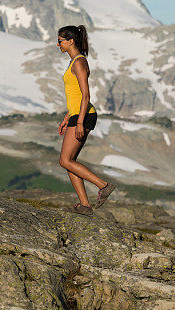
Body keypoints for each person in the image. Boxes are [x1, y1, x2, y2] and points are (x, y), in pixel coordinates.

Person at [56, 25, 114, 215]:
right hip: (77, 115)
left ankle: (103, 185)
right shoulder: (74, 62)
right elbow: (74, 96)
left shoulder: (79, 62)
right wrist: (68, 117)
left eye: (60, 41)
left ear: (70, 41)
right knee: (69, 160)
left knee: (65, 160)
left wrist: (79, 122)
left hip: (85, 116)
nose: (58, 45)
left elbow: (86, 95)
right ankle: (85, 205)